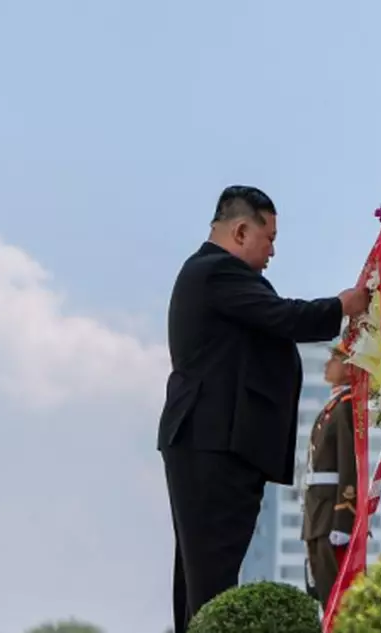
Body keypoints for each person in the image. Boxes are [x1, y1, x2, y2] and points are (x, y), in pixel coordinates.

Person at [156, 185, 370, 633]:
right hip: (214, 442)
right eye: (268, 237)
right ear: (240, 231)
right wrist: (342, 307)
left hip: (215, 442)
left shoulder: (215, 276)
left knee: (203, 577)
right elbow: (282, 317)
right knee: (211, 578)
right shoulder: (216, 272)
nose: (272, 250)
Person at [300, 340, 358, 605]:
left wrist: (343, 520)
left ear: (350, 368)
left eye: (335, 359)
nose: (327, 364)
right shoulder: (333, 407)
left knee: (336, 595)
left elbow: (348, 465)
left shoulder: (345, 407)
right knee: (323, 590)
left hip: (330, 513)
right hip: (318, 511)